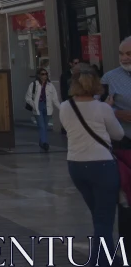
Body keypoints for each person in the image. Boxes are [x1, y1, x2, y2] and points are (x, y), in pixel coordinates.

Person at [60, 65, 124, 267]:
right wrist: (108, 109)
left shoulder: (65, 106)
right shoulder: (103, 108)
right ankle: (103, 261)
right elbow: (118, 135)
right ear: (96, 85)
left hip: (76, 164)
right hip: (102, 165)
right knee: (104, 220)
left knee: (98, 216)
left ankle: (105, 259)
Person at [25, 67, 60, 151]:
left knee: (45, 126)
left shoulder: (50, 85)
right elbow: (28, 98)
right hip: (38, 107)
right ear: (38, 75)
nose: (44, 76)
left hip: (47, 107)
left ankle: (42, 142)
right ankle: (45, 143)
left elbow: (55, 99)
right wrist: (34, 105)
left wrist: (61, 108)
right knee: (41, 126)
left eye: (46, 74)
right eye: (42, 74)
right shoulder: (33, 84)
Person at [103, 37, 131, 139]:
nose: (123, 58)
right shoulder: (109, 78)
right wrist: (116, 113)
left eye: (129, 54)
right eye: (121, 53)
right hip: (124, 140)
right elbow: (95, 105)